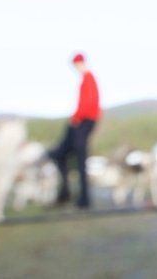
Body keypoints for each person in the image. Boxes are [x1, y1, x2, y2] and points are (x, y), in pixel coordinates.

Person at [49, 53, 101, 208]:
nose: (76, 68)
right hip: (80, 122)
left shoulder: (89, 79)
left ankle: (82, 198)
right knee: (59, 155)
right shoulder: (86, 79)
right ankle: (67, 193)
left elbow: (89, 104)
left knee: (79, 160)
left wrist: (77, 118)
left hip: (81, 123)